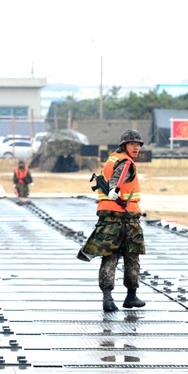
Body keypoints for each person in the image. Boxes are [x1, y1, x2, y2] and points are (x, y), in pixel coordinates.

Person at [76, 129, 147, 312]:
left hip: (107, 216)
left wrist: (113, 190)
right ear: (124, 145)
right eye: (132, 144)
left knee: (109, 255)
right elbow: (119, 177)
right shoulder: (125, 163)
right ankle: (131, 296)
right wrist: (115, 189)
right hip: (125, 218)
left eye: (138, 145)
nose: (136, 148)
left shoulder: (112, 159)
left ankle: (107, 298)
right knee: (132, 256)